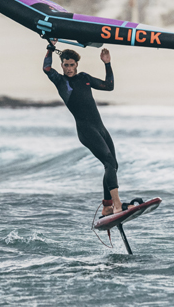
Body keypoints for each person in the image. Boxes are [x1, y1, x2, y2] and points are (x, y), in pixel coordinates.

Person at [43, 42, 126, 215]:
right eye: (66, 65)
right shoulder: (61, 81)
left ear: (76, 65)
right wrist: (50, 47)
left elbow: (109, 86)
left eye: (72, 65)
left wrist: (107, 63)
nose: (69, 68)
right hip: (86, 130)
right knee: (109, 162)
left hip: (100, 128)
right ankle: (117, 204)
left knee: (113, 165)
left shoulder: (84, 78)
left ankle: (107, 206)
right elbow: (47, 68)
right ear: (62, 65)